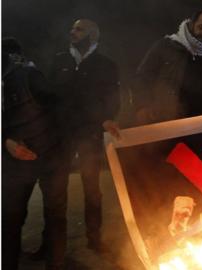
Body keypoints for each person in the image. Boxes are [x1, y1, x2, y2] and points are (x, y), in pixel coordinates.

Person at [34, 19, 120, 255]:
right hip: (60, 135)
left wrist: (107, 118)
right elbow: (49, 96)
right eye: (72, 28)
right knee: (56, 189)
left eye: (78, 29)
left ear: (92, 35)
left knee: (92, 189)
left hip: (89, 135)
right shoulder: (60, 60)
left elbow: (112, 98)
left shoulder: (105, 65)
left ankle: (95, 239)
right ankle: (49, 242)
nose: (72, 32)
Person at [2, 37, 69, 270]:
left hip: (51, 157)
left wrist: (47, 146)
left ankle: (56, 264)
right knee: (10, 218)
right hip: (14, 160)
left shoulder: (29, 76)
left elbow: (60, 108)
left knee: (55, 215)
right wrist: (6, 142)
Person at [132, 10, 202, 125]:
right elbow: (142, 78)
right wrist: (142, 106)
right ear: (191, 24)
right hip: (163, 120)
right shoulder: (165, 46)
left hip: (197, 126)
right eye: (201, 27)